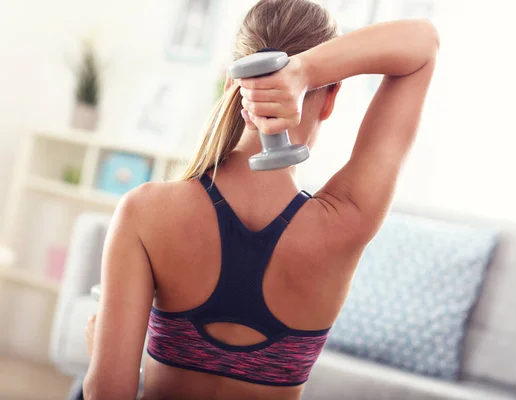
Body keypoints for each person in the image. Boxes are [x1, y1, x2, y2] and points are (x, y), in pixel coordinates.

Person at [83, 0, 439, 399]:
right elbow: (422, 45)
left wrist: (101, 352)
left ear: (229, 84)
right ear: (332, 96)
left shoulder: (145, 210)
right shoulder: (346, 219)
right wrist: (305, 72)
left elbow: (107, 393)